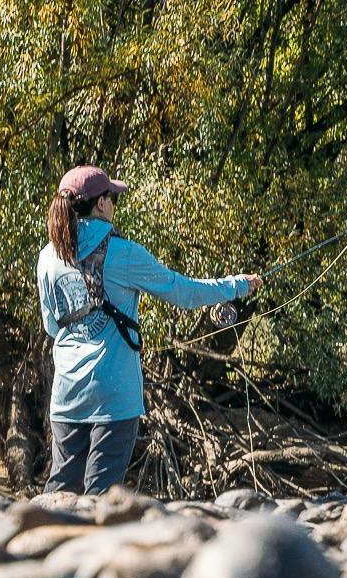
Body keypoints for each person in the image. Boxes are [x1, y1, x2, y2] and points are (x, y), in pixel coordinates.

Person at [35, 165, 260, 493]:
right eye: (112, 198)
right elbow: (183, 291)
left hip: (66, 394)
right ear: (101, 203)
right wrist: (237, 285)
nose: (113, 205)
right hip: (114, 397)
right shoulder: (123, 253)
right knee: (101, 497)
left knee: (60, 493)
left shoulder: (47, 257)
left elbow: (52, 327)